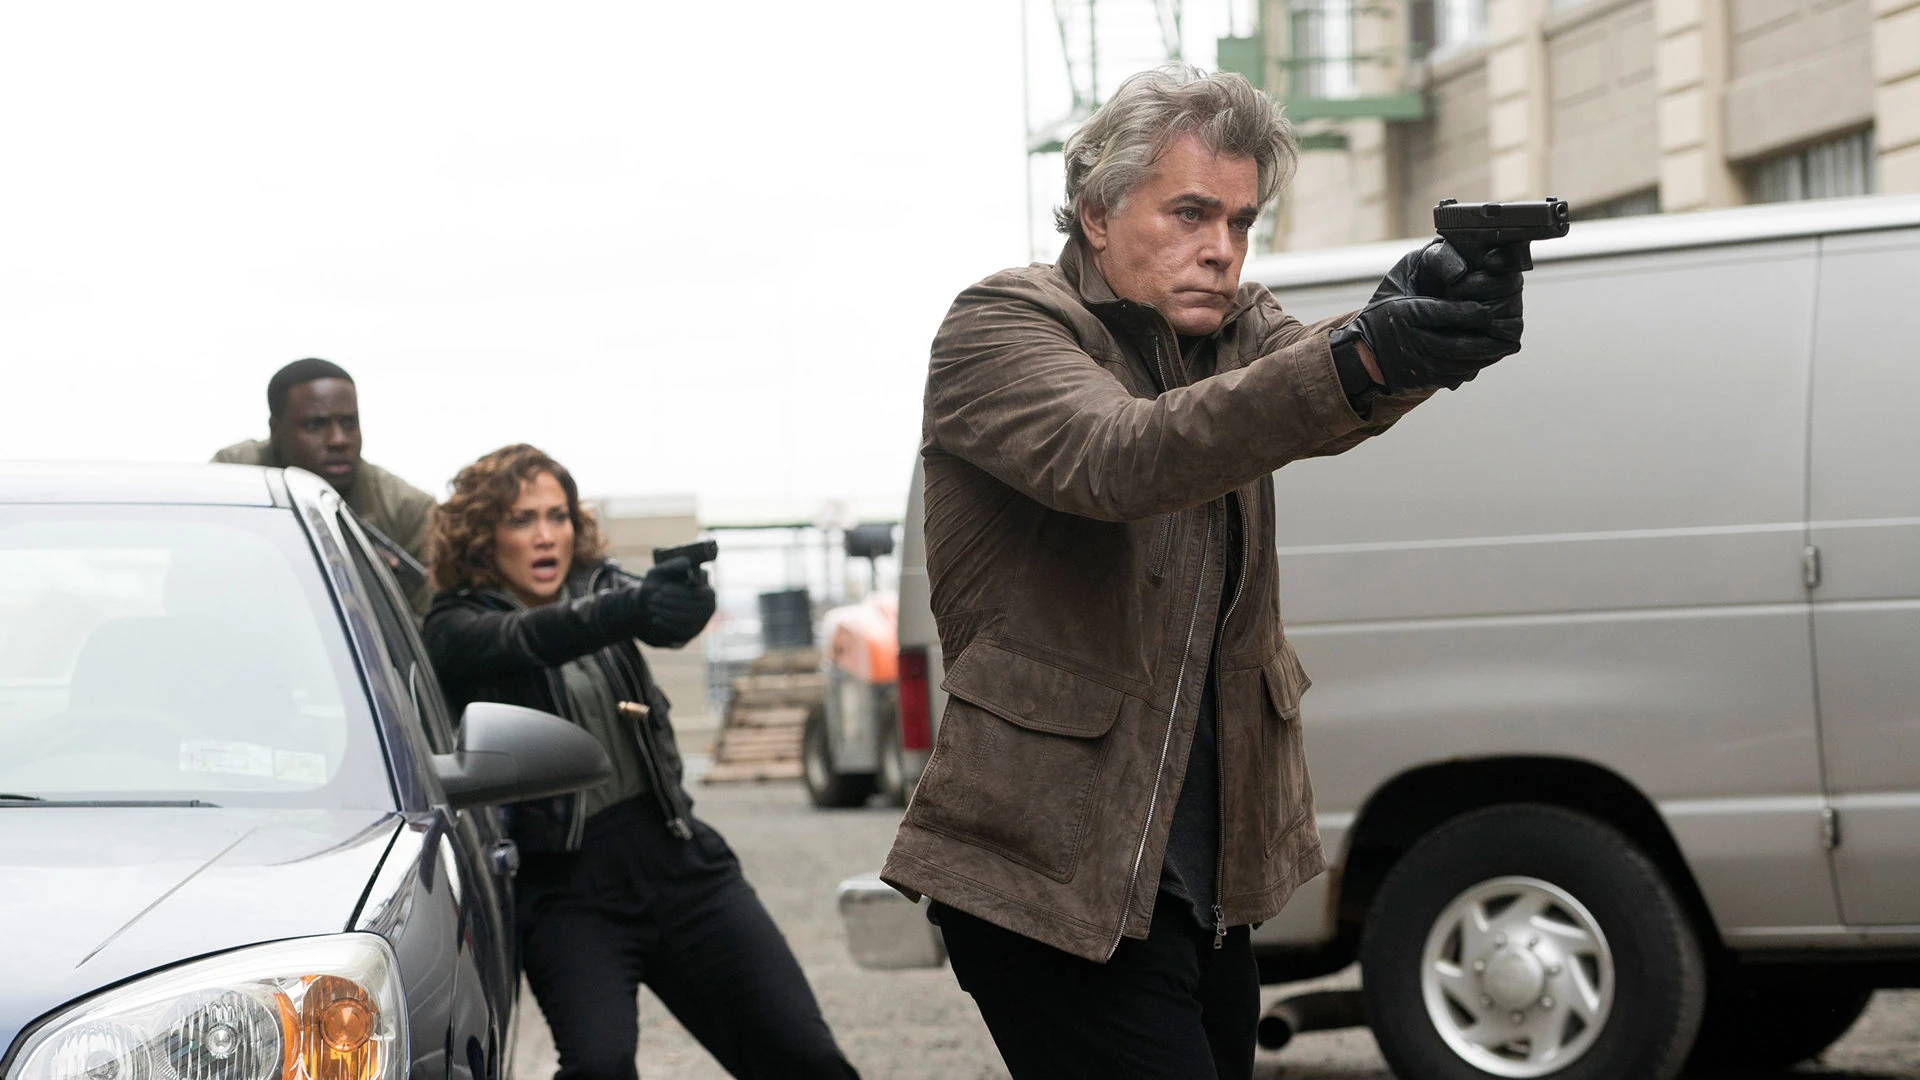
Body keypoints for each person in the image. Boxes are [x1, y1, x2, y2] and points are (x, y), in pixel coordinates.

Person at [879, 65, 1525, 1079]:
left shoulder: (1230, 327)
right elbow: (1123, 456)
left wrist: (1420, 325)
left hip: (1199, 885)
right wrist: (1365, 353)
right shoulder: (1003, 325)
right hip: (1052, 877)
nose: (1220, 247)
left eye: (1240, 220)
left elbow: (1320, 384)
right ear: (1097, 214)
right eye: (1189, 213)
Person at [421, 444, 859, 1080]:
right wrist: (629, 608)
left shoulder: (601, 582)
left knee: (804, 1058)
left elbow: (657, 614)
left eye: (558, 515)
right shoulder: (455, 622)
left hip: (676, 858)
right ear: (482, 535)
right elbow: (531, 637)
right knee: (600, 1068)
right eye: (521, 519)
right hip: (565, 889)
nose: (545, 535)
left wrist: (684, 599)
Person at [213, 357, 436, 613]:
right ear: (276, 429)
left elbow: (432, 622)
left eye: (349, 423)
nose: (338, 440)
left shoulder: (406, 509)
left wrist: (378, 591)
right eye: (316, 425)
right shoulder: (233, 479)